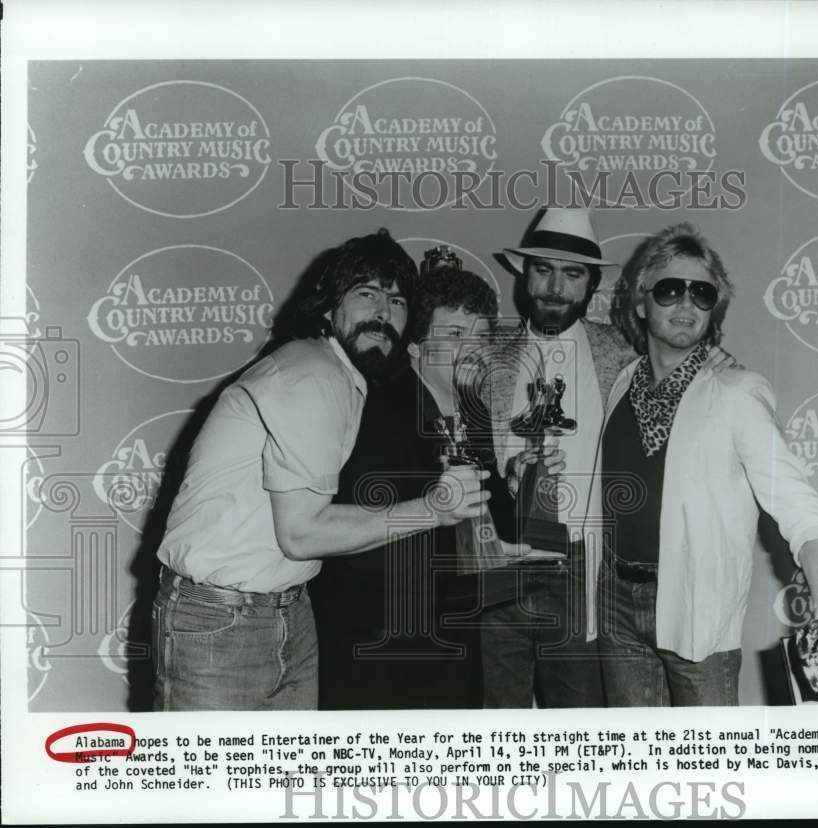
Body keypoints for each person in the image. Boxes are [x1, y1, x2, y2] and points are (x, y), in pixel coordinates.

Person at [151, 229, 490, 711]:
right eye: (366, 293)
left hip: (288, 609)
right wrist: (434, 509)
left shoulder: (347, 379)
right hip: (220, 619)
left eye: (396, 301)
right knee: (213, 786)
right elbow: (302, 535)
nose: (383, 312)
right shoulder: (312, 373)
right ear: (329, 306)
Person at [599, 222, 818, 706]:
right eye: (670, 290)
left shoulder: (737, 392)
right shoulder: (623, 381)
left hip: (697, 612)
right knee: (635, 762)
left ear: (715, 309)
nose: (686, 304)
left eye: (702, 294)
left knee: (709, 765)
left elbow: (800, 505)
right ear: (641, 301)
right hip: (614, 605)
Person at [311, 265, 530, 709]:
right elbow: (360, 533)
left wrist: (514, 484)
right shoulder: (376, 409)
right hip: (379, 640)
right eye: (452, 335)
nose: (471, 350)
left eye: (481, 336)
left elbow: (490, 524)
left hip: (452, 630)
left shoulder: (476, 414)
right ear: (414, 344)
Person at [477, 207, 638, 708]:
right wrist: (502, 477)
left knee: (578, 726)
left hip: (579, 566)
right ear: (524, 275)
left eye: (572, 274)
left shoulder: (622, 355)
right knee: (495, 724)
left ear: (590, 286)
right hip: (499, 562)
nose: (554, 286)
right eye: (543, 269)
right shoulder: (484, 356)